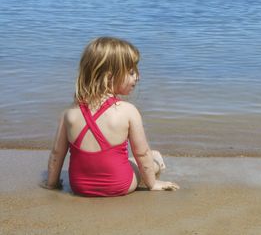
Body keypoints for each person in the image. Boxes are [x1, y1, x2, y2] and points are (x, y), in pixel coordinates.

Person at [43, 37, 179, 196]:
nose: (137, 77)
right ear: (109, 77)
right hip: (120, 184)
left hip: (79, 186)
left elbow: (56, 154)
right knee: (153, 157)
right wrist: (152, 183)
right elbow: (142, 153)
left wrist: (51, 184)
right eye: (131, 72)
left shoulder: (69, 114)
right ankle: (157, 164)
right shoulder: (128, 111)